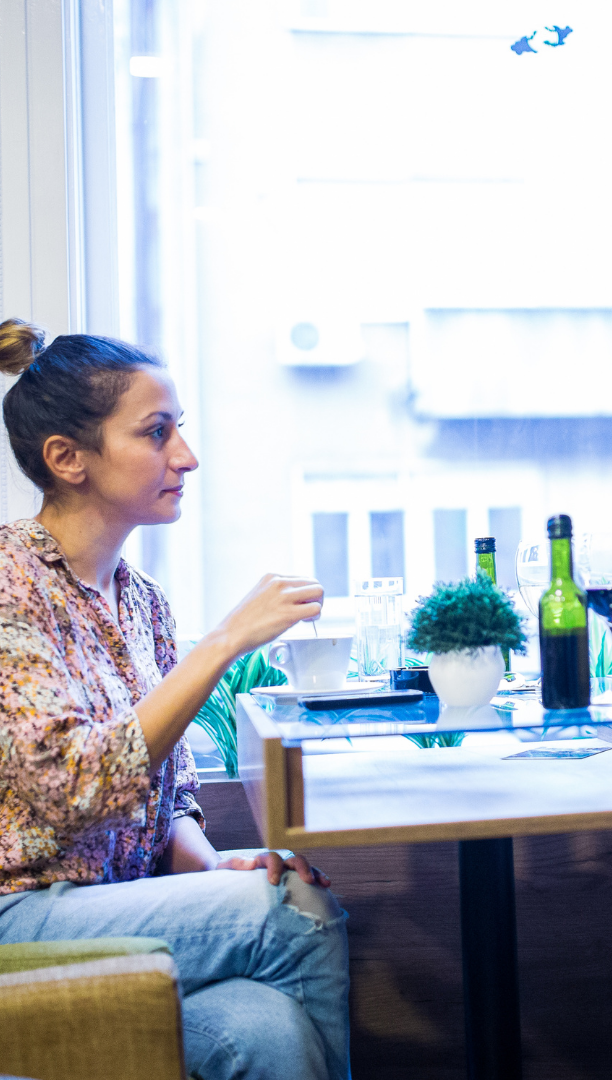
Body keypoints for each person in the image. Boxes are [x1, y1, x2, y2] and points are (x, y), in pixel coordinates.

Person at [0, 320, 350, 1080]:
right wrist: (223, 641)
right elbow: (78, 787)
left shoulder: (144, 601)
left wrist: (212, 865)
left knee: (271, 1032)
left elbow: (169, 797)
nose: (185, 458)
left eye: (179, 431)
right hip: (17, 921)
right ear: (67, 459)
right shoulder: (8, 584)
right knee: (294, 909)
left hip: (114, 910)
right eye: (157, 434)